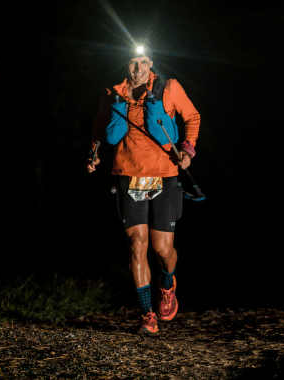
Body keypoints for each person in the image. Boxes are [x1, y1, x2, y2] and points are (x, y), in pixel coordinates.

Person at [86, 45, 200, 334]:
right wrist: (94, 153)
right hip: (128, 174)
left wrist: (187, 148)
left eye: (144, 62)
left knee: (162, 249)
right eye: (133, 63)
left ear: (152, 62)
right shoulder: (112, 92)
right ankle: (147, 314)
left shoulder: (169, 87)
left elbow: (192, 117)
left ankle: (168, 282)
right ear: (125, 65)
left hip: (164, 175)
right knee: (137, 245)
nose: (138, 69)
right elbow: (101, 125)